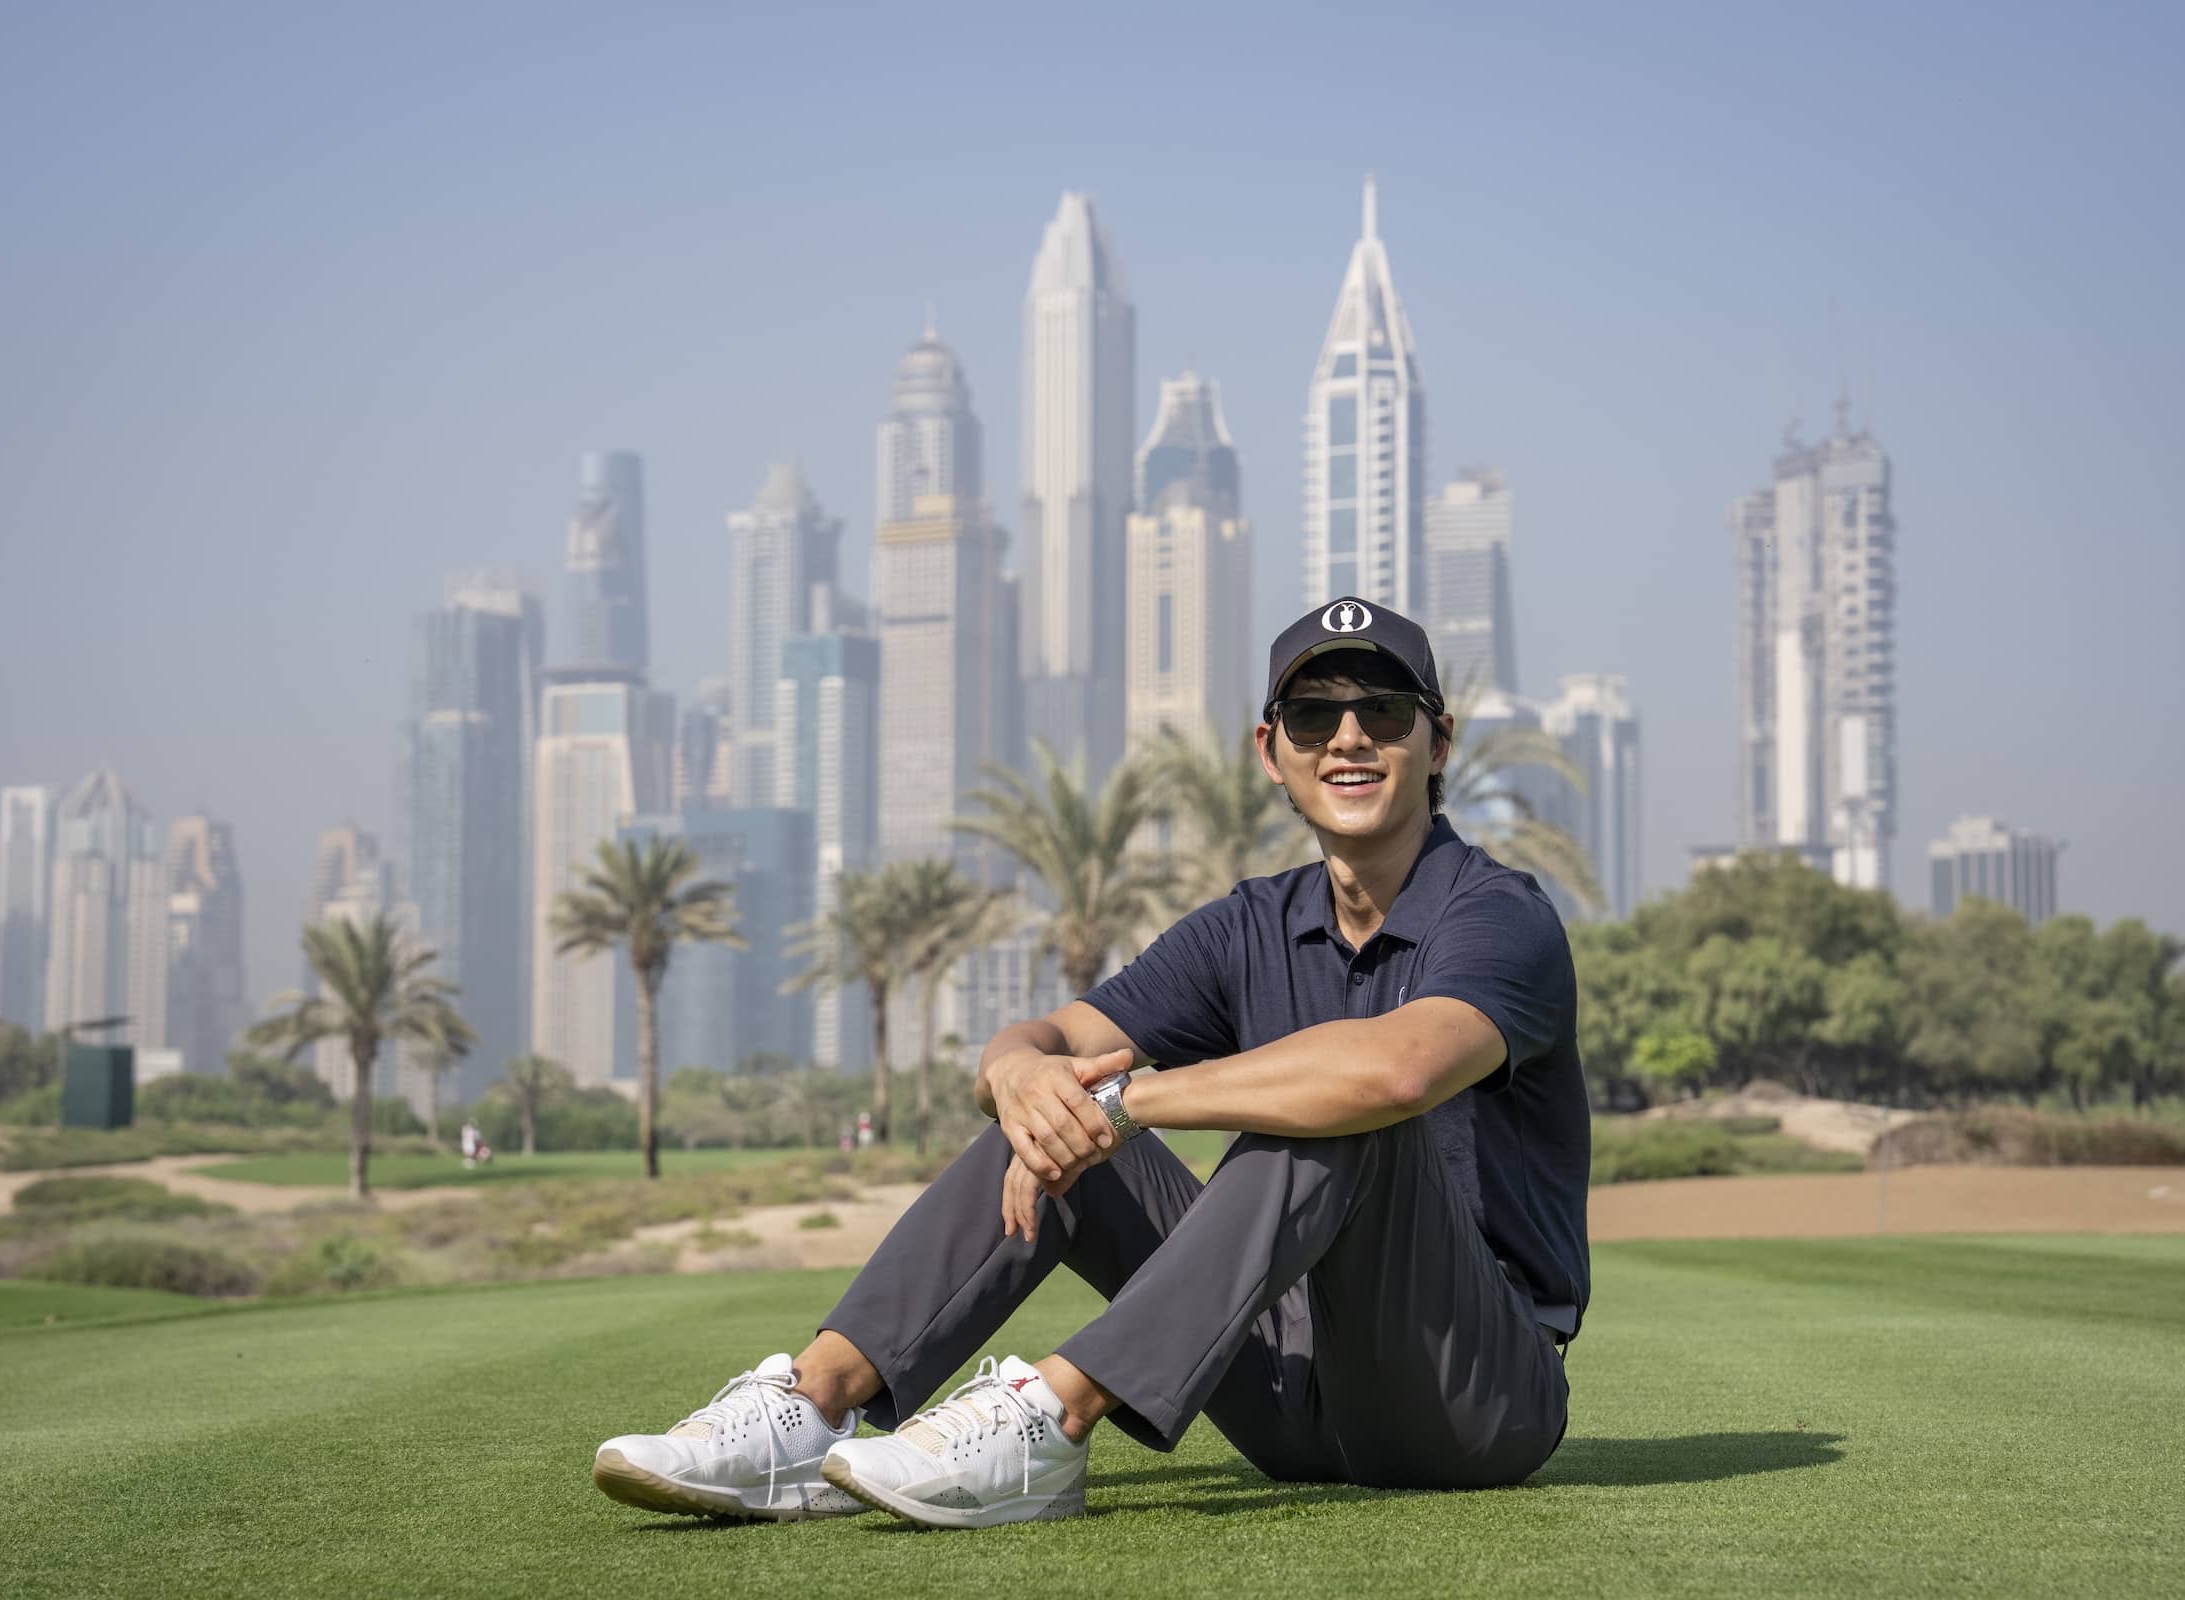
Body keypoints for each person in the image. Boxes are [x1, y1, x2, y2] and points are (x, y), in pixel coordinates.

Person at [591, 596, 1587, 1528]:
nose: (1350, 737)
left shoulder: (1500, 913)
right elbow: (1047, 1040)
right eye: (1314, 716)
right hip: (1289, 1398)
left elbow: (1400, 1070)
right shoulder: (1249, 923)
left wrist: (1135, 1098)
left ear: (1437, 739)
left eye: (1384, 709)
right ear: (1270, 749)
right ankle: (810, 1411)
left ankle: (1052, 1421)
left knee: (1342, 1111)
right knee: (1062, 1106)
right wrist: (1022, 1079)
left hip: (1469, 1393)